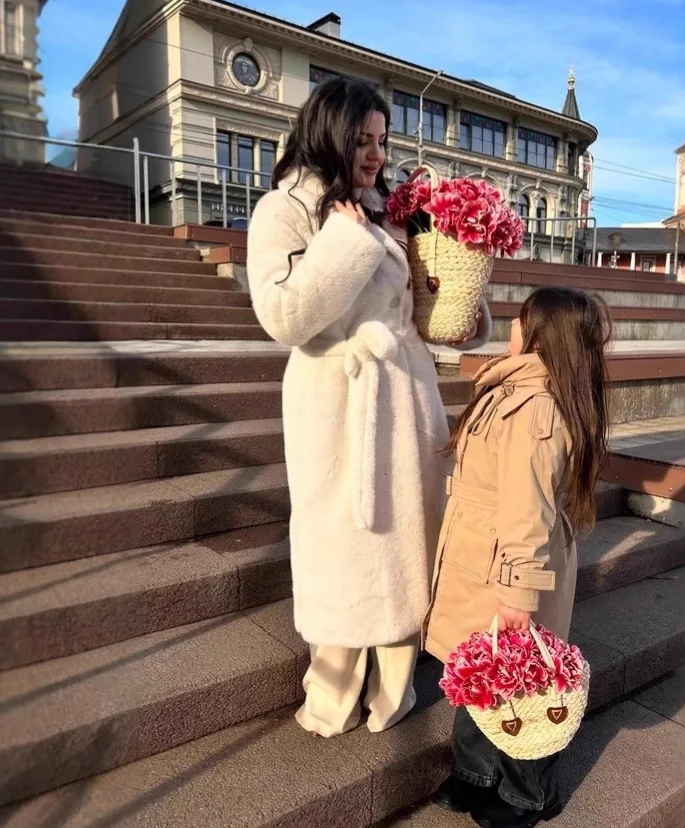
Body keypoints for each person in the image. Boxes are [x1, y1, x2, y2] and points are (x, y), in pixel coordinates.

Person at [246, 78, 491, 738]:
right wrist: (346, 243)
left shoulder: (389, 206)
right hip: (337, 400)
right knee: (342, 543)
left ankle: (394, 687)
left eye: (383, 140)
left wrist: (463, 316)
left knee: (406, 539)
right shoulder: (283, 209)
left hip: (406, 393)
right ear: (330, 132)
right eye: (364, 139)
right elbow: (284, 315)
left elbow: (417, 303)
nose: (377, 154)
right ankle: (330, 694)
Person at [423, 286, 611, 828]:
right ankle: (475, 776)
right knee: (480, 675)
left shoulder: (535, 408)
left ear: (538, 335)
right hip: (482, 556)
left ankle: (527, 795)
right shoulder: (517, 390)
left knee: (523, 685)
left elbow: (526, 511)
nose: (508, 328)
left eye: (518, 321)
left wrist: (517, 595)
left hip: (505, 566)